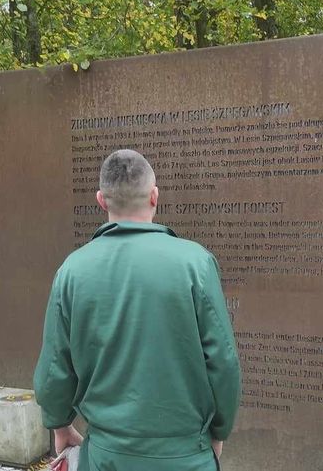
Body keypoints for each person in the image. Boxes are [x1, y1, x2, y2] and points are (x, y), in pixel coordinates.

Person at [33, 149, 241, 471]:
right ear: (155, 196)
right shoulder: (195, 263)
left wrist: (60, 426)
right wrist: (219, 431)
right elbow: (223, 363)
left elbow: (54, 370)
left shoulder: (72, 271)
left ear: (101, 200)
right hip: (187, 456)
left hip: (106, 457)